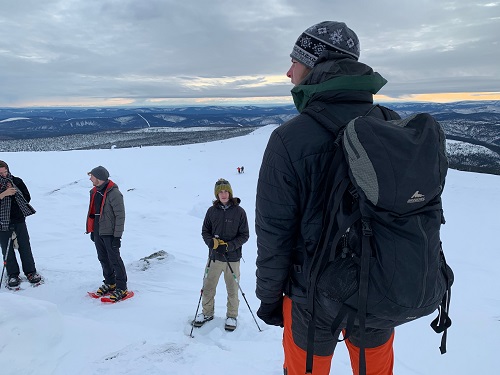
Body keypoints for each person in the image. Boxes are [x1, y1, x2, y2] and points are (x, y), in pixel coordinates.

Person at [255, 21, 400, 375]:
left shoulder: (289, 139)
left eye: (296, 61)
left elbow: (275, 233)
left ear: (316, 66)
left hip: (310, 296)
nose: (289, 72)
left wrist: (270, 297)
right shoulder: (393, 125)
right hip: (379, 288)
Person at [196, 178, 249, 331]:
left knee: (232, 289)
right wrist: (211, 243)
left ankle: (232, 316)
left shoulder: (239, 212)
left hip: (232, 259)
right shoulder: (211, 211)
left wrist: (229, 246)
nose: (223, 194)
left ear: (230, 193)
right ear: (217, 194)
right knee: (208, 286)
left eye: (226, 191)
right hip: (214, 258)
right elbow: (205, 231)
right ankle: (207, 313)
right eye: (220, 192)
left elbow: (244, 235)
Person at [86, 166, 128, 301]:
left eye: (91, 176)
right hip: (98, 231)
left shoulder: (114, 193)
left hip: (110, 233)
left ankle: (121, 287)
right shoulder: (94, 192)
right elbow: (93, 213)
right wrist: (93, 231)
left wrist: (117, 236)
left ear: (98, 178)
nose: (90, 178)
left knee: (114, 259)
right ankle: (110, 282)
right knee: (103, 258)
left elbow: (120, 216)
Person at [0, 160, 42, 288]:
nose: (4, 175)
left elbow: (27, 198)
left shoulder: (16, 181)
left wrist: (16, 193)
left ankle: (31, 272)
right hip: (2, 221)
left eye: (5, 171)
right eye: (0, 173)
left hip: (18, 219)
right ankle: (12, 274)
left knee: (24, 245)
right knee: (7, 249)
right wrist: (3, 194)